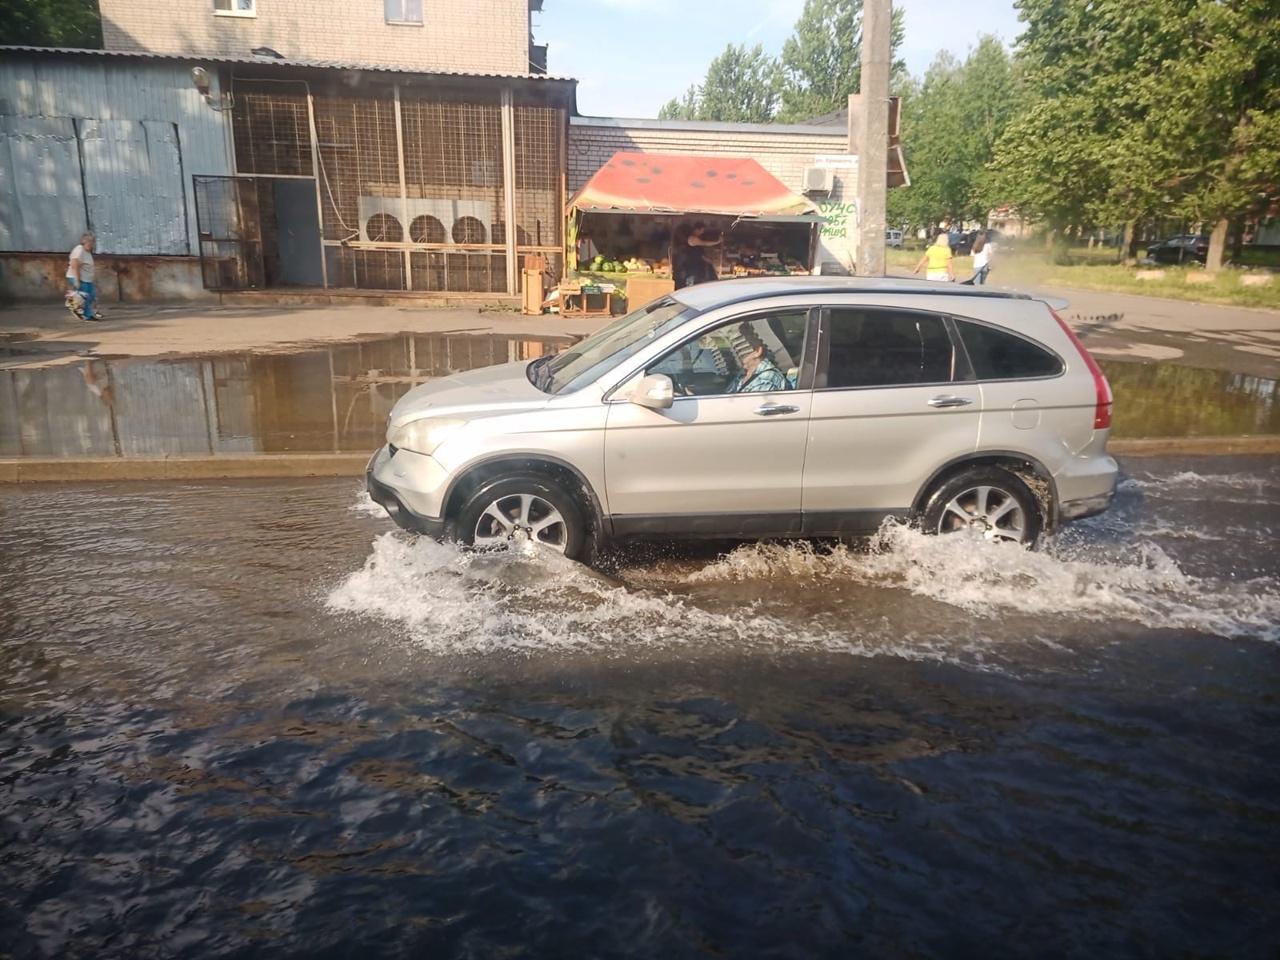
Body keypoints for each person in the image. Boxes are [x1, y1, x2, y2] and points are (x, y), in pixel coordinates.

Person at [727, 325, 787, 393]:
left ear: (758, 351)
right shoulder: (742, 375)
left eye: (741, 348)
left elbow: (752, 403)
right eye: (734, 348)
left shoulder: (766, 378)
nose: (737, 353)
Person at [672, 221, 723, 289]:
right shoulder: (692, 238)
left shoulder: (695, 238)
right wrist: (718, 241)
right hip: (690, 264)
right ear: (697, 229)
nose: (702, 232)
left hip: (696, 264)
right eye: (702, 230)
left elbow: (699, 253)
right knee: (690, 282)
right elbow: (705, 243)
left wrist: (709, 260)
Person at [66, 232, 102, 321]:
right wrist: (77, 280)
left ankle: (88, 312)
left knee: (92, 296)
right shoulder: (79, 251)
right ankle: (87, 315)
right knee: (85, 296)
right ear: (85, 242)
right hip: (80, 278)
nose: (92, 245)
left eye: (93, 242)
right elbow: (74, 265)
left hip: (87, 279)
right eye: (91, 242)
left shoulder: (86, 251)